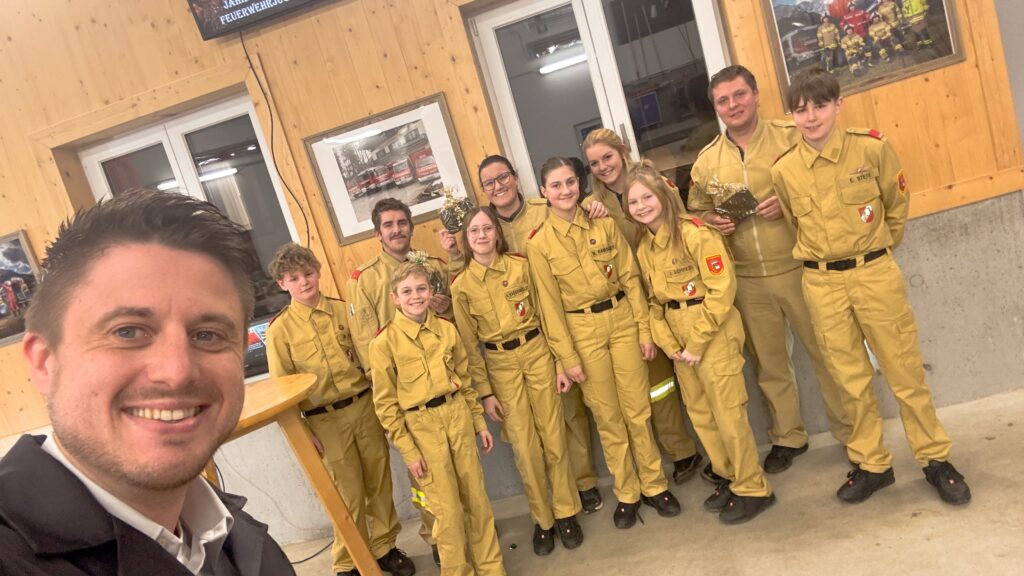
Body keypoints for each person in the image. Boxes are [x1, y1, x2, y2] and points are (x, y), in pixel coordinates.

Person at [2, 190, 295, 574]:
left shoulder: (240, 540)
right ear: (44, 362)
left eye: (208, 335)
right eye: (127, 332)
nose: (177, 371)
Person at [770, 67, 971, 505]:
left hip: (874, 273)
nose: (811, 117)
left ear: (838, 105)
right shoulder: (784, 171)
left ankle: (935, 458)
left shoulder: (872, 149)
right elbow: (793, 224)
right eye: (800, 110)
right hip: (822, 282)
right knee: (849, 379)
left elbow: (896, 207)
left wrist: (873, 253)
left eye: (820, 106)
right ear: (791, 116)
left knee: (905, 371)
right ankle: (872, 464)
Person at [688, 65, 853, 475]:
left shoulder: (790, 136)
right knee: (771, 363)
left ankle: (853, 433)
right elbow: (696, 212)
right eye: (723, 100)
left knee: (827, 352)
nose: (733, 105)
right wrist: (711, 222)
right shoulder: (706, 161)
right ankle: (788, 436)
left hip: (798, 265)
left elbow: (822, 181)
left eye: (739, 95)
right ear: (715, 107)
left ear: (756, 95)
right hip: (746, 278)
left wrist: (789, 201)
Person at [527, 157, 681, 529]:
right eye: (556, 185)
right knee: (608, 418)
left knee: (638, 410)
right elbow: (549, 308)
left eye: (570, 182)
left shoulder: (603, 222)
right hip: (582, 333)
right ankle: (627, 493)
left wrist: (644, 330)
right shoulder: (539, 244)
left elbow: (630, 278)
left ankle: (654, 484)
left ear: (579, 184)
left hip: (622, 321)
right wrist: (567, 357)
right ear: (544, 192)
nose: (565, 190)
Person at [625, 160, 776, 524]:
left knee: (728, 413)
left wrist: (696, 342)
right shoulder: (645, 246)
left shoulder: (695, 234)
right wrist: (669, 343)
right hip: (678, 338)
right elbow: (654, 301)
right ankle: (730, 476)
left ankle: (753, 488)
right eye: (633, 201)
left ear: (663, 195)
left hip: (711, 332)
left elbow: (722, 291)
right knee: (702, 414)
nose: (641, 206)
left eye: (647, 197)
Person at [461, 154, 610, 514]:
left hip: (555, 322)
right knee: (527, 435)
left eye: (503, 177)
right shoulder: (485, 225)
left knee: (569, 414)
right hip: (509, 344)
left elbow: (577, 217)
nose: (498, 186)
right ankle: (550, 502)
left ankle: (583, 482)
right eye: (489, 182)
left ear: (515, 177)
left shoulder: (544, 209)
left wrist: (594, 206)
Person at [265, 244, 414, 576]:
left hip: (363, 406)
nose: (304, 282)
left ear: (318, 272)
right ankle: (349, 561)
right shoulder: (280, 330)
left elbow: (369, 360)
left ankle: (385, 549)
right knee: (347, 495)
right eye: (294, 278)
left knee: (379, 483)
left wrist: (384, 408)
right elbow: (282, 391)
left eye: (308, 273)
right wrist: (302, 433)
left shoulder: (344, 310)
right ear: (282, 284)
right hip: (324, 421)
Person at [450, 207, 583, 556]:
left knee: (554, 437)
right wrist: (485, 393)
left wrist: (559, 364)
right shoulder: (461, 287)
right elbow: (469, 348)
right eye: (474, 231)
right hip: (501, 365)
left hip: (537, 352)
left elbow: (547, 315)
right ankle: (543, 520)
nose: (481, 235)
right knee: (525, 449)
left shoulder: (521, 266)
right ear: (466, 239)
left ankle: (566, 512)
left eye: (487, 228)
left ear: (497, 232)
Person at [581, 128, 705, 486]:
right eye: (594, 163)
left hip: (678, 291)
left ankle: (725, 454)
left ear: (622, 151)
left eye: (607, 157)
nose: (603, 167)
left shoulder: (655, 183)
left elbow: (684, 229)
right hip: (637, 304)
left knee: (699, 378)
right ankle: (682, 452)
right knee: (659, 384)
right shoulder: (591, 206)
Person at [369, 262, 506, 576]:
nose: (416, 296)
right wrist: (409, 450)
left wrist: (479, 423)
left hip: (457, 415)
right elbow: (386, 406)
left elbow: (465, 380)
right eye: (407, 291)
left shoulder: (446, 330)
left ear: (431, 292)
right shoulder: (384, 343)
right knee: (446, 512)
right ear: (395, 299)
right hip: (422, 427)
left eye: (421, 289)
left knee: (477, 501)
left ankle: (492, 568)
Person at [347, 197, 449, 563]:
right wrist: (389, 397)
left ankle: (462, 527)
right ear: (378, 233)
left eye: (402, 223)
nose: (396, 230)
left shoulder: (432, 266)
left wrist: (445, 307)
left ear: (411, 226)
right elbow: (364, 344)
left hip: (442, 387)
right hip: (406, 396)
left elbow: (452, 323)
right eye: (388, 225)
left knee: (455, 466)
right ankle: (437, 536)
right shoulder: (366, 279)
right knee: (423, 474)